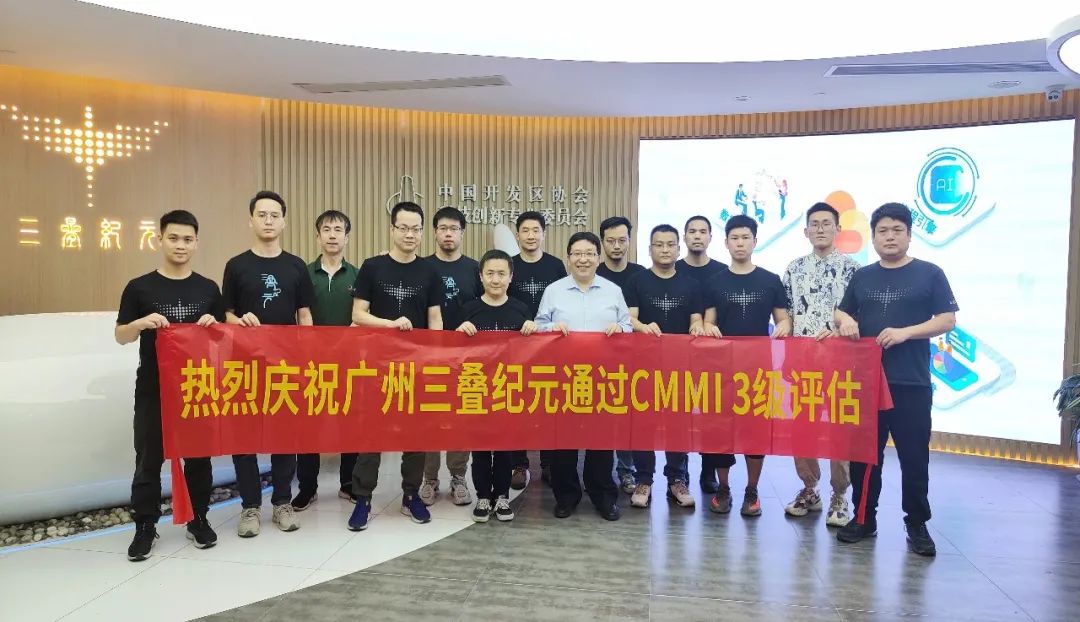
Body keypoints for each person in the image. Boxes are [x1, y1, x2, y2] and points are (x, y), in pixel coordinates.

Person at [834, 202, 958, 557]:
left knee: (914, 458)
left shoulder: (930, 273)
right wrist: (845, 319)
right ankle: (863, 518)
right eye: (883, 231)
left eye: (897, 230)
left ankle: (916, 524)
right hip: (866, 382)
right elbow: (841, 310)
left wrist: (906, 332)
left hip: (911, 383)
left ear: (909, 235)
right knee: (865, 457)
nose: (890, 237)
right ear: (873, 237)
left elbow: (947, 319)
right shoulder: (863, 276)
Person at [116, 210, 222, 561]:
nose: (180, 245)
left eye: (187, 239)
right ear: (159, 239)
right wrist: (140, 323)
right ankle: (145, 526)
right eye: (173, 238)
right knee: (148, 458)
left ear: (196, 243)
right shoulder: (139, 287)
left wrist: (213, 327)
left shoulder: (208, 289)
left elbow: (224, 341)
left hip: (196, 387)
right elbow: (121, 336)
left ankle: (198, 518)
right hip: (153, 388)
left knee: (199, 457)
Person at [347, 201, 445, 531]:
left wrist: (436, 358)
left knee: (415, 434)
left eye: (416, 229)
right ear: (392, 229)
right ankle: (363, 498)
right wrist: (390, 325)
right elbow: (358, 315)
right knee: (371, 435)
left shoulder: (429, 271)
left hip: (416, 365)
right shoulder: (373, 267)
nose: (409, 234)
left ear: (422, 233)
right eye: (403, 228)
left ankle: (411, 495)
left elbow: (435, 319)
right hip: (376, 364)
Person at [223, 191, 315, 537]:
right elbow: (225, 315)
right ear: (251, 220)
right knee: (244, 438)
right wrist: (239, 321)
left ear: (284, 222)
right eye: (261, 215)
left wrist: (306, 357)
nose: (268, 221)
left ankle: (282, 502)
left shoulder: (295, 266)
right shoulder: (236, 265)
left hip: (285, 366)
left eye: (274, 215)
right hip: (244, 366)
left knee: (284, 436)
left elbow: (304, 316)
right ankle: (250, 507)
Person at [535, 231, 632, 521]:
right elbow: (539, 325)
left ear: (598, 258)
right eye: (577, 254)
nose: (583, 259)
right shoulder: (554, 290)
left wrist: (621, 329)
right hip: (563, 378)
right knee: (564, 442)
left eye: (589, 253)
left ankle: (603, 496)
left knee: (601, 441)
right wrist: (551, 328)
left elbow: (628, 326)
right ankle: (566, 496)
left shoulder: (613, 290)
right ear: (568, 258)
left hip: (603, 378)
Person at [702, 215, 791, 517]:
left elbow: (783, 319)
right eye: (734, 238)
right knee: (720, 429)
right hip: (721, 368)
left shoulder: (770, 280)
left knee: (755, 430)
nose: (740, 243)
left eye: (745, 238)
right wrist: (708, 327)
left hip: (758, 369)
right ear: (726, 243)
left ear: (755, 241)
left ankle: (752, 489)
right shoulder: (714, 282)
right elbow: (708, 321)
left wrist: (785, 326)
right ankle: (723, 487)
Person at [781, 202, 860, 527]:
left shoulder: (854, 270)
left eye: (827, 223)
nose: (820, 229)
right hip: (802, 364)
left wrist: (842, 329)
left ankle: (840, 495)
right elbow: (785, 312)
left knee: (840, 431)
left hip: (842, 365)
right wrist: (783, 326)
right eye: (814, 224)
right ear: (806, 231)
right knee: (803, 430)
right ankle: (809, 488)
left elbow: (860, 317)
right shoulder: (794, 269)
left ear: (838, 229)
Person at [624, 224, 705, 509]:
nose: (665, 249)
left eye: (670, 245)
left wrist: (697, 327)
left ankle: (677, 479)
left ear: (678, 249)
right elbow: (630, 318)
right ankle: (644, 480)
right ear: (650, 250)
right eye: (659, 245)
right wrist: (642, 327)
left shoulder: (691, 284)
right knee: (643, 423)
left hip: (680, 367)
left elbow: (696, 319)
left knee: (678, 424)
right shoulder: (637, 281)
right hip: (644, 367)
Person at [456, 249, 538, 522]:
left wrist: (532, 331)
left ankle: (502, 496)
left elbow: (532, 353)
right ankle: (482, 496)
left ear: (510, 277)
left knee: (504, 447)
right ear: (480, 276)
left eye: (501, 274)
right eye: (490, 273)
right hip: (477, 389)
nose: (495, 279)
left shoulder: (520, 310)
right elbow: (452, 352)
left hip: (508, 389)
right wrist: (458, 332)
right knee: (480, 448)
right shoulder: (468, 309)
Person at [292, 210, 360, 511]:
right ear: (318, 236)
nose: (332, 235)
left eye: (338, 230)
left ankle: (349, 483)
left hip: (350, 363)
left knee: (350, 422)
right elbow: (300, 315)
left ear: (347, 237)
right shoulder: (303, 274)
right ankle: (307, 488)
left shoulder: (358, 275)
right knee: (309, 425)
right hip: (311, 363)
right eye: (327, 230)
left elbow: (362, 315)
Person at [420, 207, 481, 507]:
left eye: (454, 229)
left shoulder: (474, 269)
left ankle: (458, 476)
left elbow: (484, 306)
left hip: (465, 358)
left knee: (460, 418)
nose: (448, 234)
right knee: (429, 418)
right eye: (443, 228)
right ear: (434, 232)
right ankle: (429, 479)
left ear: (462, 233)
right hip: (427, 356)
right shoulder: (421, 267)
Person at [506, 210, 567, 490]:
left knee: (547, 403)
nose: (531, 236)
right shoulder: (509, 265)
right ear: (517, 235)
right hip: (516, 345)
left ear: (544, 234)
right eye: (525, 231)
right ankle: (519, 463)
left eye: (536, 230)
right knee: (518, 405)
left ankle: (548, 463)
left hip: (549, 346)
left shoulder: (555, 266)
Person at [674, 215, 727, 493]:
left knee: (711, 416)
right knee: (680, 416)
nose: (697, 236)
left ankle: (709, 473)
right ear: (684, 237)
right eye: (692, 231)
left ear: (710, 237)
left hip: (713, 358)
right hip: (677, 357)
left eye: (702, 231)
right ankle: (679, 475)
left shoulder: (722, 272)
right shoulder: (673, 269)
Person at [595, 215, 647, 495]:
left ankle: (627, 471)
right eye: (610, 240)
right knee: (600, 418)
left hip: (632, 359)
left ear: (629, 240)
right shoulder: (593, 272)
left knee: (627, 416)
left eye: (622, 240)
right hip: (596, 359)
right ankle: (598, 474)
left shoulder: (641, 275)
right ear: (602, 243)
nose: (616, 246)